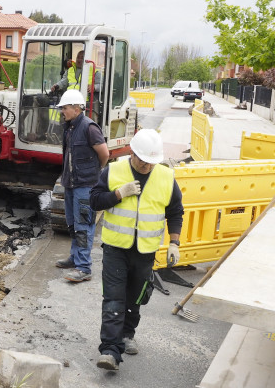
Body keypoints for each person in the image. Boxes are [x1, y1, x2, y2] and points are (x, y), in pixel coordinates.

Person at [90, 128, 184, 371]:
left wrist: (174, 242)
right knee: (113, 298)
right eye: (143, 160)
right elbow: (95, 200)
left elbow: (175, 211)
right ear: (132, 153)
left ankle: (126, 335)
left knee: (136, 298)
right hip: (115, 248)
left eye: (152, 162)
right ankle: (110, 350)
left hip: (145, 252)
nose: (147, 166)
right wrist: (118, 194)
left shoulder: (165, 177)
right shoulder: (114, 170)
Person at [54, 89, 110, 282]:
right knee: (72, 223)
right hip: (70, 183)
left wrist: (95, 173)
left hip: (85, 186)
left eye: (65, 108)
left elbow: (104, 154)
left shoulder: (89, 127)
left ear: (77, 109)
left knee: (83, 226)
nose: (63, 111)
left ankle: (84, 267)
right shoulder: (69, 127)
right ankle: (75, 257)